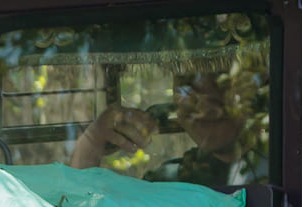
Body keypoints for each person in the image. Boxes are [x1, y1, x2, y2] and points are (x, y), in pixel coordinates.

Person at [67, 70, 255, 188]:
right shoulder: (170, 181)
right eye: (186, 86)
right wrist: (93, 141)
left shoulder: (269, 168)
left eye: (220, 82)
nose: (202, 106)